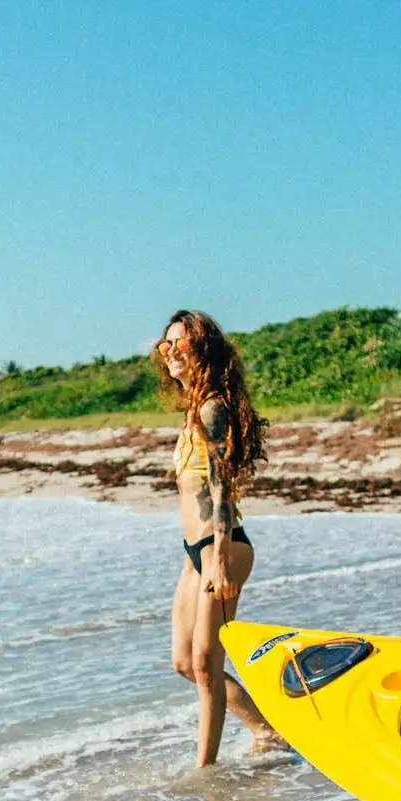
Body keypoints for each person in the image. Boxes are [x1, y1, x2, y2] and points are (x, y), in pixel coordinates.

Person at [154, 309, 282, 766]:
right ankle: (267, 730)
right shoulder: (193, 410)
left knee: (207, 666)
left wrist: (221, 559)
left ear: (202, 349)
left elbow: (221, 488)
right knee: (184, 663)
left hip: (221, 548)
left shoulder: (213, 408)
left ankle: (204, 773)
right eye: (165, 344)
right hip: (195, 553)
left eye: (181, 343)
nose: (171, 352)